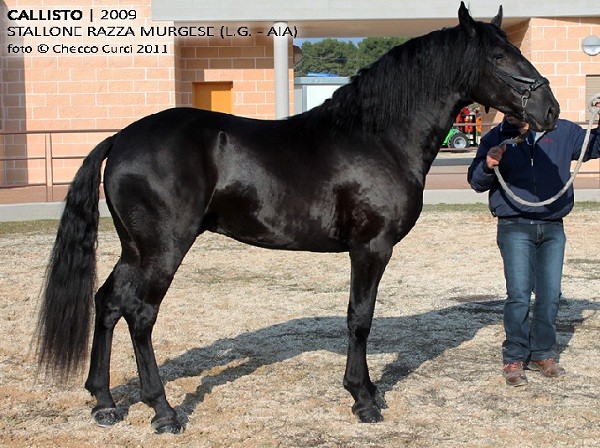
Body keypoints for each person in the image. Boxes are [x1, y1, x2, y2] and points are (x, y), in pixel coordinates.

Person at [467, 107, 600, 387]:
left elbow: (595, 145)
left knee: (550, 294)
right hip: (514, 225)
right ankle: (514, 356)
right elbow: (476, 182)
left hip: (553, 226)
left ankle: (542, 353)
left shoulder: (563, 131)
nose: (513, 112)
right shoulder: (495, 138)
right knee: (518, 295)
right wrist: (487, 165)